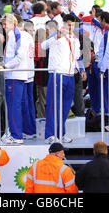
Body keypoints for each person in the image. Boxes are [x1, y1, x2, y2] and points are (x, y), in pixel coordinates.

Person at [41, 14, 86, 144]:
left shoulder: (75, 39)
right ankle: (50, 135)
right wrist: (56, 36)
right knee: (53, 105)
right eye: (69, 24)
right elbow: (43, 46)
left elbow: (77, 57)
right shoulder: (57, 36)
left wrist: (82, 70)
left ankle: (61, 133)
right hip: (58, 74)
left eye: (73, 25)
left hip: (70, 75)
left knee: (66, 107)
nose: (71, 27)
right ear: (64, 24)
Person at [0, 14, 31, 144]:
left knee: (13, 106)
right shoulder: (16, 34)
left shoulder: (15, 35)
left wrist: (5, 66)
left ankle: (16, 136)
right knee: (14, 106)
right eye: (3, 24)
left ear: (13, 23)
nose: (4, 27)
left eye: (5, 24)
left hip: (14, 74)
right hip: (15, 74)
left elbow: (18, 57)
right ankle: (15, 133)